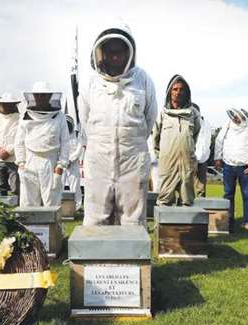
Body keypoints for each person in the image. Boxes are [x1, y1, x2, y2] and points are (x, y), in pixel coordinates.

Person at [79, 23, 157, 226]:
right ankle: (97, 259)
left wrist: (129, 141)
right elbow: (85, 120)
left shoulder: (143, 80)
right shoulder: (90, 83)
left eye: (120, 52)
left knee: (132, 218)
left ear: (129, 52)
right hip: (98, 158)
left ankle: (129, 259)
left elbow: (149, 120)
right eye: (110, 52)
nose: (115, 57)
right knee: (96, 217)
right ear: (102, 53)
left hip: (133, 157)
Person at [15, 82, 69, 207]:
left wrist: (61, 165)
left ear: (50, 97)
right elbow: (19, 141)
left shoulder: (59, 116)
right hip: (30, 160)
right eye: (38, 95)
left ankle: (52, 227)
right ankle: (29, 227)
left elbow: (65, 142)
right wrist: (21, 163)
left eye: (44, 95)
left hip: (51, 162)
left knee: (51, 202)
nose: (41, 97)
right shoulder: (25, 116)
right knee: (28, 202)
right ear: (33, 96)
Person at [153, 75, 201, 206]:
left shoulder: (193, 113)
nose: (178, 92)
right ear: (169, 92)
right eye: (175, 89)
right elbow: (156, 137)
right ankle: (161, 227)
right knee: (165, 198)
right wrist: (162, 155)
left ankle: (186, 227)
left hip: (187, 161)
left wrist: (188, 149)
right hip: (167, 161)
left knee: (187, 200)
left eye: (181, 89)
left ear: (186, 92)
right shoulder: (162, 113)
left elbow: (196, 134)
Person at [214, 108, 248, 231]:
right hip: (228, 165)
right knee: (228, 194)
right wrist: (217, 158)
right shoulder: (227, 126)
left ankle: (247, 221)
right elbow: (219, 142)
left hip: (245, 167)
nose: (235, 119)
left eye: (238, 117)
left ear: (244, 118)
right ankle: (228, 221)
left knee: (247, 195)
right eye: (234, 116)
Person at [0, 93, 21, 196]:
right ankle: (2, 210)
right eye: (4, 104)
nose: (6, 106)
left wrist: (9, 151)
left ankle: (16, 210)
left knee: (16, 187)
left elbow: (21, 139)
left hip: (14, 159)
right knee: (0, 186)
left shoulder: (20, 119)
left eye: (9, 104)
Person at [64, 114, 83, 210]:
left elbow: (79, 149)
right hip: (62, 163)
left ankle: (77, 207)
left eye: (68, 124)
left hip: (73, 164)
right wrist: (64, 161)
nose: (67, 126)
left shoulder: (76, 134)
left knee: (75, 186)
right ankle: (61, 206)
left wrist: (71, 160)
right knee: (59, 186)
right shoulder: (60, 133)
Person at [193, 103, 211, 198]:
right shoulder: (187, 122)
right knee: (186, 185)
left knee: (201, 187)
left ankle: (201, 208)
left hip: (202, 159)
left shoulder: (206, 124)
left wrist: (202, 157)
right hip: (190, 158)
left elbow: (206, 142)